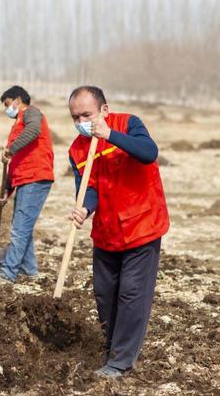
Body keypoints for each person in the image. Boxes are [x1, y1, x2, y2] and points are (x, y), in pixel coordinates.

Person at [67, 86, 170, 378]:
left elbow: (149, 153)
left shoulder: (129, 124)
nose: (80, 122)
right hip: (107, 232)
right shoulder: (77, 149)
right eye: (75, 117)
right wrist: (84, 209)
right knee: (105, 294)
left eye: (86, 115)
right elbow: (88, 190)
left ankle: (121, 361)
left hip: (142, 225)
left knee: (132, 294)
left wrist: (110, 135)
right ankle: (112, 348)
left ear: (104, 110)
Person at [0, 86, 54, 283]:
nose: (7, 109)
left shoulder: (32, 113)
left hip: (35, 177)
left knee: (19, 229)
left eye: (7, 104)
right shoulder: (17, 124)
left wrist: (11, 149)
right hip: (24, 178)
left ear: (17, 99)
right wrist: (7, 191)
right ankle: (29, 270)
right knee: (24, 227)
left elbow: (33, 131)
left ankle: (8, 272)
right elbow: (16, 163)